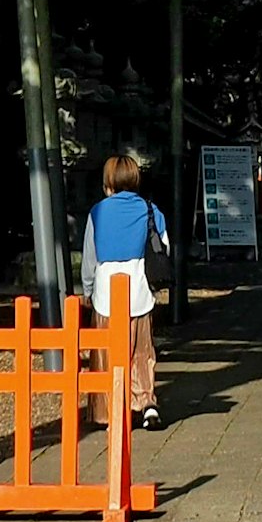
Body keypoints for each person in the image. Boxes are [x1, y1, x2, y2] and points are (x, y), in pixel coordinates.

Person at [81, 153, 169, 430]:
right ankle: (146, 404)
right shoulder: (152, 210)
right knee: (142, 352)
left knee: (107, 354)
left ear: (108, 183)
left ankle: (108, 412)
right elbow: (164, 247)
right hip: (140, 291)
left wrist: (87, 289)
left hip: (107, 292)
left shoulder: (98, 212)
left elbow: (89, 259)